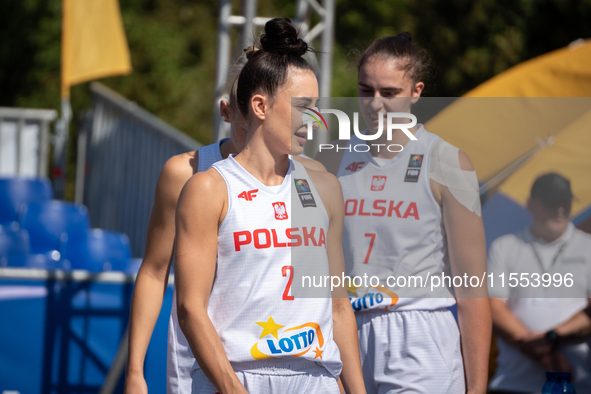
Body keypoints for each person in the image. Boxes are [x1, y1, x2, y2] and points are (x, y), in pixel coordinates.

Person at [174, 18, 365, 394]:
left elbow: (338, 307)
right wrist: (232, 388)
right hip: (234, 376)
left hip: (316, 379)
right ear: (260, 106)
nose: (315, 119)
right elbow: (189, 310)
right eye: (303, 107)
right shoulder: (209, 188)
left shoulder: (324, 188)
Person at [124, 69, 327, 393]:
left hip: (280, 361)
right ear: (229, 112)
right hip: (200, 363)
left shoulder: (300, 177)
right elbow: (154, 271)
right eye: (243, 125)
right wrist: (135, 370)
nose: (251, 136)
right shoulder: (187, 173)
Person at [316, 33, 491, 393]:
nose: (375, 103)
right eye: (366, 90)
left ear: (416, 91)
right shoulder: (332, 159)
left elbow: (472, 288)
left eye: (389, 93)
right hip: (346, 333)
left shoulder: (447, 161)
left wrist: (477, 388)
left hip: (419, 336)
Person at [488, 173, 591, 394]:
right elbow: (493, 307)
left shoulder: (588, 247)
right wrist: (544, 353)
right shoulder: (505, 246)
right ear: (530, 204)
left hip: (575, 385)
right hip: (512, 383)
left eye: (564, 202)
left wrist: (551, 336)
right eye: (552, 201)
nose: (560, 209)